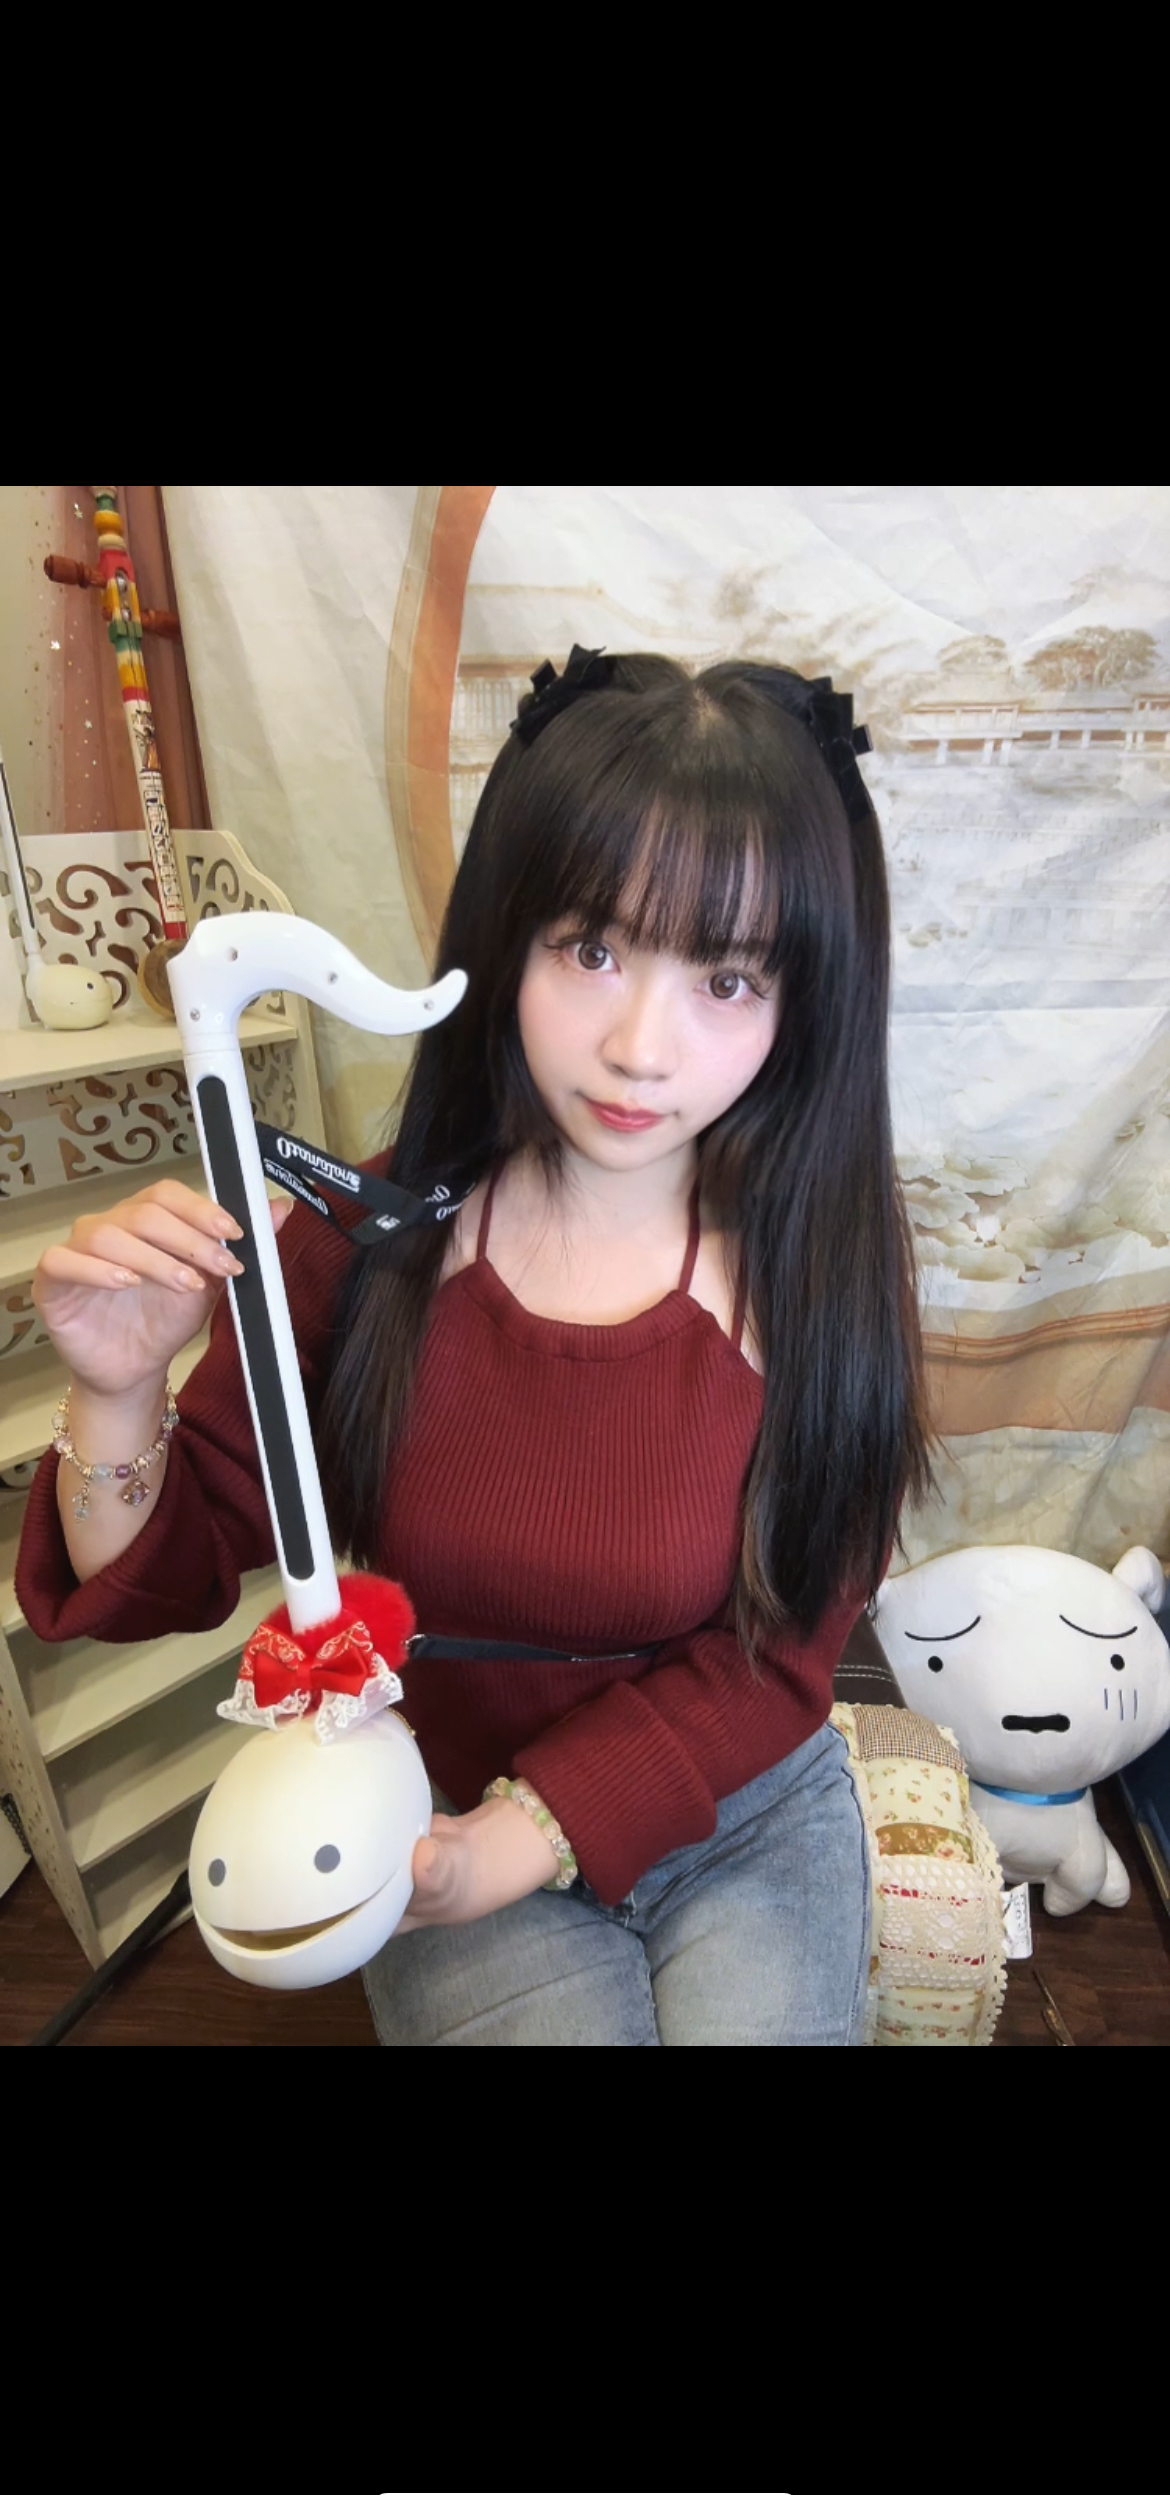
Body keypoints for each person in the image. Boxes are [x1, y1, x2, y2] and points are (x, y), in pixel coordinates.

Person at [15, 647, 933, 2046]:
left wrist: (537, 1829)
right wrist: (117, 1393)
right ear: (505, 937)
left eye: (728, 978)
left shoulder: (824, 1272)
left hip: (737, 1802)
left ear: (806, 996)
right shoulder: (366, 1244)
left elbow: (791, 1647)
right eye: (592, 949)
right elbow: (163, 1575)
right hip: (440, 1803)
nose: (640, 1048)